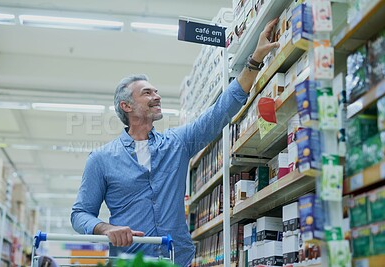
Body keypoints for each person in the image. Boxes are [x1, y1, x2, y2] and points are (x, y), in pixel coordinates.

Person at [71, 18, 280, 267]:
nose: (157, 96)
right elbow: (80, 213)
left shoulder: (176, 143)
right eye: (147, 93)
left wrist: (255, 60)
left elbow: (221, 112)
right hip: (130, 261)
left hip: (175, 259)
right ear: (126, 106)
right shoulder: (101, 159)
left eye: (156, 91)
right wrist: (105, 228)